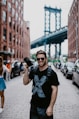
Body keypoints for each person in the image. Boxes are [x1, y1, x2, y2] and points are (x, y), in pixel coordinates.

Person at [23, 50, 60, 119]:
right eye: (38, 59)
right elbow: (25, 82)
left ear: (46, 59)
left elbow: (55, 90)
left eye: (42, 58)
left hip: (45, 107)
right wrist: (26, 70)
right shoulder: (34, 70)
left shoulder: (51, 73)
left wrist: (51, 107)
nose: (40, 60)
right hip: (34, 106)